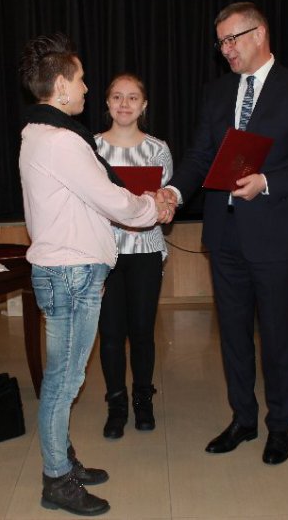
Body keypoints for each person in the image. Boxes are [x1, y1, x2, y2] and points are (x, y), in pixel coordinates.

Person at [159, 2, 288, 465]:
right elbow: (200, 155)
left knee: (278, 336)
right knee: (233, 335)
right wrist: (174, 192)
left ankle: (281, 426)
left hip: (273, 235)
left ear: (259, 34)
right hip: (224, 233)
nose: (225, 50)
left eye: (231, 39)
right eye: (220, 42)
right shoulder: (217, 92)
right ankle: (243, 418)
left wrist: (268, 182)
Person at [18, 33, 173, 516]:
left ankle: (63, 462)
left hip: (66, 269)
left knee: (65, 377)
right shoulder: (62, 141)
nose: (87, 88)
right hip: (70, 273)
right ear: (62, 85)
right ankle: (56, 480)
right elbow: (111, 199)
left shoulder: (39, 132)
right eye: (82, 80)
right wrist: (154, 205)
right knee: (63, 383)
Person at [95, 73, 173, 438]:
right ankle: (116, 406)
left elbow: (164, 201)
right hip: (104, 254)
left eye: (132, 97)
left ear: (144, 105)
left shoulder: (158, 149)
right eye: (116, 97)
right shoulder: (91, 147)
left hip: (146, 251)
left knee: (142, 332)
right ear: (107, 103)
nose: (124, 104)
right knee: (110, 334)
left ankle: (143, 400)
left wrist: (159, 206)